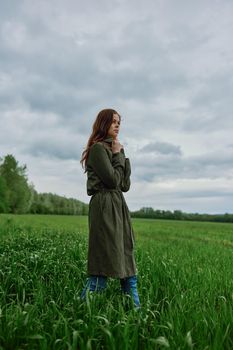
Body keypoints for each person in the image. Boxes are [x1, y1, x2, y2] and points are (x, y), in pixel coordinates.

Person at [80, 108, 140, 308]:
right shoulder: (98, 149)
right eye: (113, 121)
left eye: (119, 122)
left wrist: (121, 154)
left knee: (126, 259)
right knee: (102, 262)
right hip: (104, 206)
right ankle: (81, 310)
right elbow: (113, 180)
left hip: (118, 205)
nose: (117, 125)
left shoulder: (114, 149)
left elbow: (124, 186)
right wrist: (117, 155)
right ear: (103, 123)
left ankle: (136, 314)